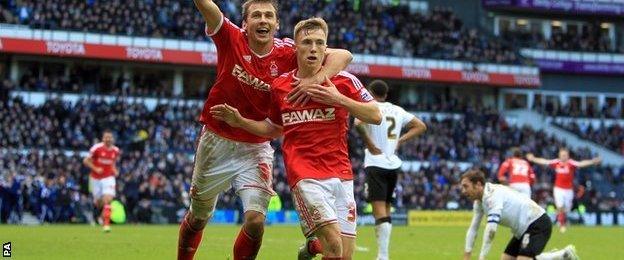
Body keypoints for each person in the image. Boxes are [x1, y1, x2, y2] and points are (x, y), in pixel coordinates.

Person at [179, 1, 353, 259]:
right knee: (199, 216)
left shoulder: (288, 52)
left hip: (257, 144)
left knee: (256, 221)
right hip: (217, 140)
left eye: (269, 16)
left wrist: (315, 81)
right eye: (256, 16)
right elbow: (207, 6)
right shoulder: (230, 37)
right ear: (245, 24)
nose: (263, 20)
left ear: (277, 24)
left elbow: (343, 56)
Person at [210, 17, 381, 260]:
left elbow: (375, 115)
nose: (313, 48)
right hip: (305, 175)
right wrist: (241, 122)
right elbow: (273, 128)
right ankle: (318, 245)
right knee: (333, 244)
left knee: (344, 255)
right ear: (296, 47)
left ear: (326, 48)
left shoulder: (344, 81)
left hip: (341, 174)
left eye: (319, 43)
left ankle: (311, 248)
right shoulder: (280, 86)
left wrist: (338, 99)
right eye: (307, 42)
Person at [353, 80, 426, 260]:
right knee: (386, 209)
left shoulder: (369, 106)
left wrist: (370, 144)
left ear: (370, 92)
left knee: (379, 212)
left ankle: (383, 256)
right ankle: (383, 254)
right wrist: (400, 140)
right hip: (393, 164)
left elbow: (357, 123)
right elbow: (421, 126)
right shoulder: (397, 110)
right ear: (386, 94)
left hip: (376, 163)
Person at [460, 170, 579, 260]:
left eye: (466, 186)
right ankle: (562, 255)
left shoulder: (493, 196)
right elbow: (473, 228)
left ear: (478, 184)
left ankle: (558, 256)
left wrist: (482, 258)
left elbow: (491, 230)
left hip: (537, 223)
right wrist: (467, 254)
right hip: (522, 230)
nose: (463, 191)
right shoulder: (479, 202)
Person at [526, 148, 601, 233]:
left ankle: (562, 220)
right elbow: (545, 161)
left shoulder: (571, 163)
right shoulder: (556, 162)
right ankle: (562, 225)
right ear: (559, 155)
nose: (563, 157)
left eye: (565, 155)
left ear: (568, 156)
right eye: (562, 155)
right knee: (560, 207)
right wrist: (533, 159)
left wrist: (592, 161)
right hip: (558, 189)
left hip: (569, 190)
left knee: (567, 209)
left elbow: (581, 164)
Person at [83, 130, 120, 232]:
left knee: (108, 199)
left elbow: (112, 163)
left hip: (108, 178)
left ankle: (106, 224)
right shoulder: (96, 148)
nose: (108, 139)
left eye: (110, 137)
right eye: (106, 137)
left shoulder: (116, 150)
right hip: (96, 178)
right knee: (99, 202)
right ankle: (97, 216)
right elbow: (86, 161)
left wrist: (115, 170)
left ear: (112, 139)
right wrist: (96, 169)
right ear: (103, 139)